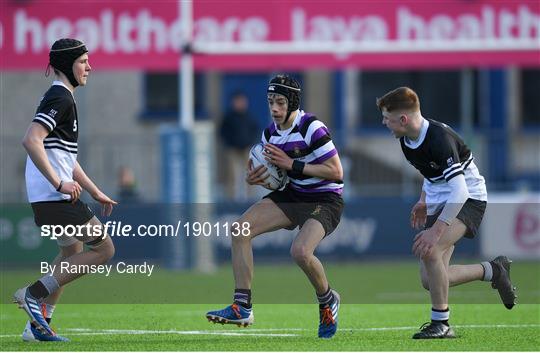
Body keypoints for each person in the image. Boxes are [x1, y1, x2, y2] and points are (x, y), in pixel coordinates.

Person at [206, 75, 345, 339]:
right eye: (271, 102)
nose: (275, 108)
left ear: (292, 102)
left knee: (301, 252)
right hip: (293, 194)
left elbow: (336, 172)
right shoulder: (269, 133)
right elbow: (278, 179)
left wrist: (293, 165)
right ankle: (242, 307)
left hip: (325, 199)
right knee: (240, 229)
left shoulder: (312, 127)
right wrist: (258, 177)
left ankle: (327, 300)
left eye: (280, 102)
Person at [377, 86, 517, 339]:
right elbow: (430, 173)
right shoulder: (406, 140)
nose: (384, 122)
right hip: (442, 198)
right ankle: (494, 271)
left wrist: (436, 231)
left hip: (469, 198)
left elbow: (460, 191)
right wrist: (423, 200)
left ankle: (441, 323)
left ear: (403, 119)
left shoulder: (439, 139)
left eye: (387, 118)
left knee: (431, 249)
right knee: (429, 280)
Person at [14, 38, 116, 342]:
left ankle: (38, 325)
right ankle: (32, 294)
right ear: (66, 65)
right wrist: (59, 184)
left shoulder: (62, 97)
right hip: (55, 197)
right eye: (83, 61)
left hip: (52, 196)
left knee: (72, 250)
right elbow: (31, 140)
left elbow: (65, 158)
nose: (89, 67)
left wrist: (94, 190)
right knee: (105, 249)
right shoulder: (61, 98)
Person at [219, 91, 260, 200]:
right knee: (231, 174)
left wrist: (250, 141)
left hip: (246, 148)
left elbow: (255, 129)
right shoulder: (229, 117)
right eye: (237, 101)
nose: (240, 103)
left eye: (242, 101)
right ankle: (230, 197)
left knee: (250, 173)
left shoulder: (249, 116)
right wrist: (229, 143)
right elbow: (222, 132)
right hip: (232, 149)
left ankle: (249, 197)